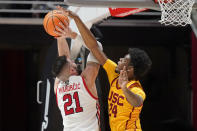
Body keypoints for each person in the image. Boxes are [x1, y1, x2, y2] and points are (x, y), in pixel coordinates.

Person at [56, 6, 152, 131]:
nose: (119, 60)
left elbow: (137, 101)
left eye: (124, 60)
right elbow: (95, 48)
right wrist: (75, 25)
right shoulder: (113, 72)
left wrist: (124, 88)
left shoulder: (136, 89)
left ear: (130, 69)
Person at [52, 21, 102, 131]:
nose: (71, 58)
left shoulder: (58, 87)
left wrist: (60, 36)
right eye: (70, 60)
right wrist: (73, 35)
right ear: (71, 69)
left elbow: (64, 59)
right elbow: (97, 47)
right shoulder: (86, 80)